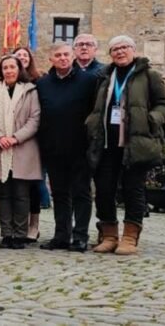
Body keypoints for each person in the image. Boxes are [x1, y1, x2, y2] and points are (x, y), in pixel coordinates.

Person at [86, 35, 165, 255]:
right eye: (115, 49)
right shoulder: (104, 76)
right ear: (110, 54)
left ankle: (130, 236)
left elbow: (164, 105)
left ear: (133, 50)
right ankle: (109, 235)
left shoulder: (149, 75)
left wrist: (152, 119)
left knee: (134, 190)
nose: (120, 52)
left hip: (135, 143)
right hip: (106, 143)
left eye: (124, 47)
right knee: (104, 189)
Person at [36, 41, 97, 252]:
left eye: (66, 55)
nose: (62, 58)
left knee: (81, 193)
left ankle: (80, 236)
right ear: (51, 59)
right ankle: (61, 235)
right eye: (58, 55)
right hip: (53, 148)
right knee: (60, 194)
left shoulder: (89, 81)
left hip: (80, 147)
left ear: (72, 57)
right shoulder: (43, 84)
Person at [0, 55, 41, 249]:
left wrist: (16, 137)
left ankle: (20, 234)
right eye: (5, 67)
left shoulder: (30, 90)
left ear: (19, 69)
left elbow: (34, 118)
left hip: (23, 146)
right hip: (1, 146)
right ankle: (7, 234)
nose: (9, 70)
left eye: (12, 67)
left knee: (22, 194)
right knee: (4, 194)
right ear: (1, 70)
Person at [13, 46, 48, 242]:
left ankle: (33, 225)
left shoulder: (39, 82)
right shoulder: (7, 83)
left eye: (25, 55)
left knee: (35, 182)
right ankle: (20, 223)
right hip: (12, 140)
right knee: (17, 184)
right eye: (18, 55)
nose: (22, 58)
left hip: (34, 139)